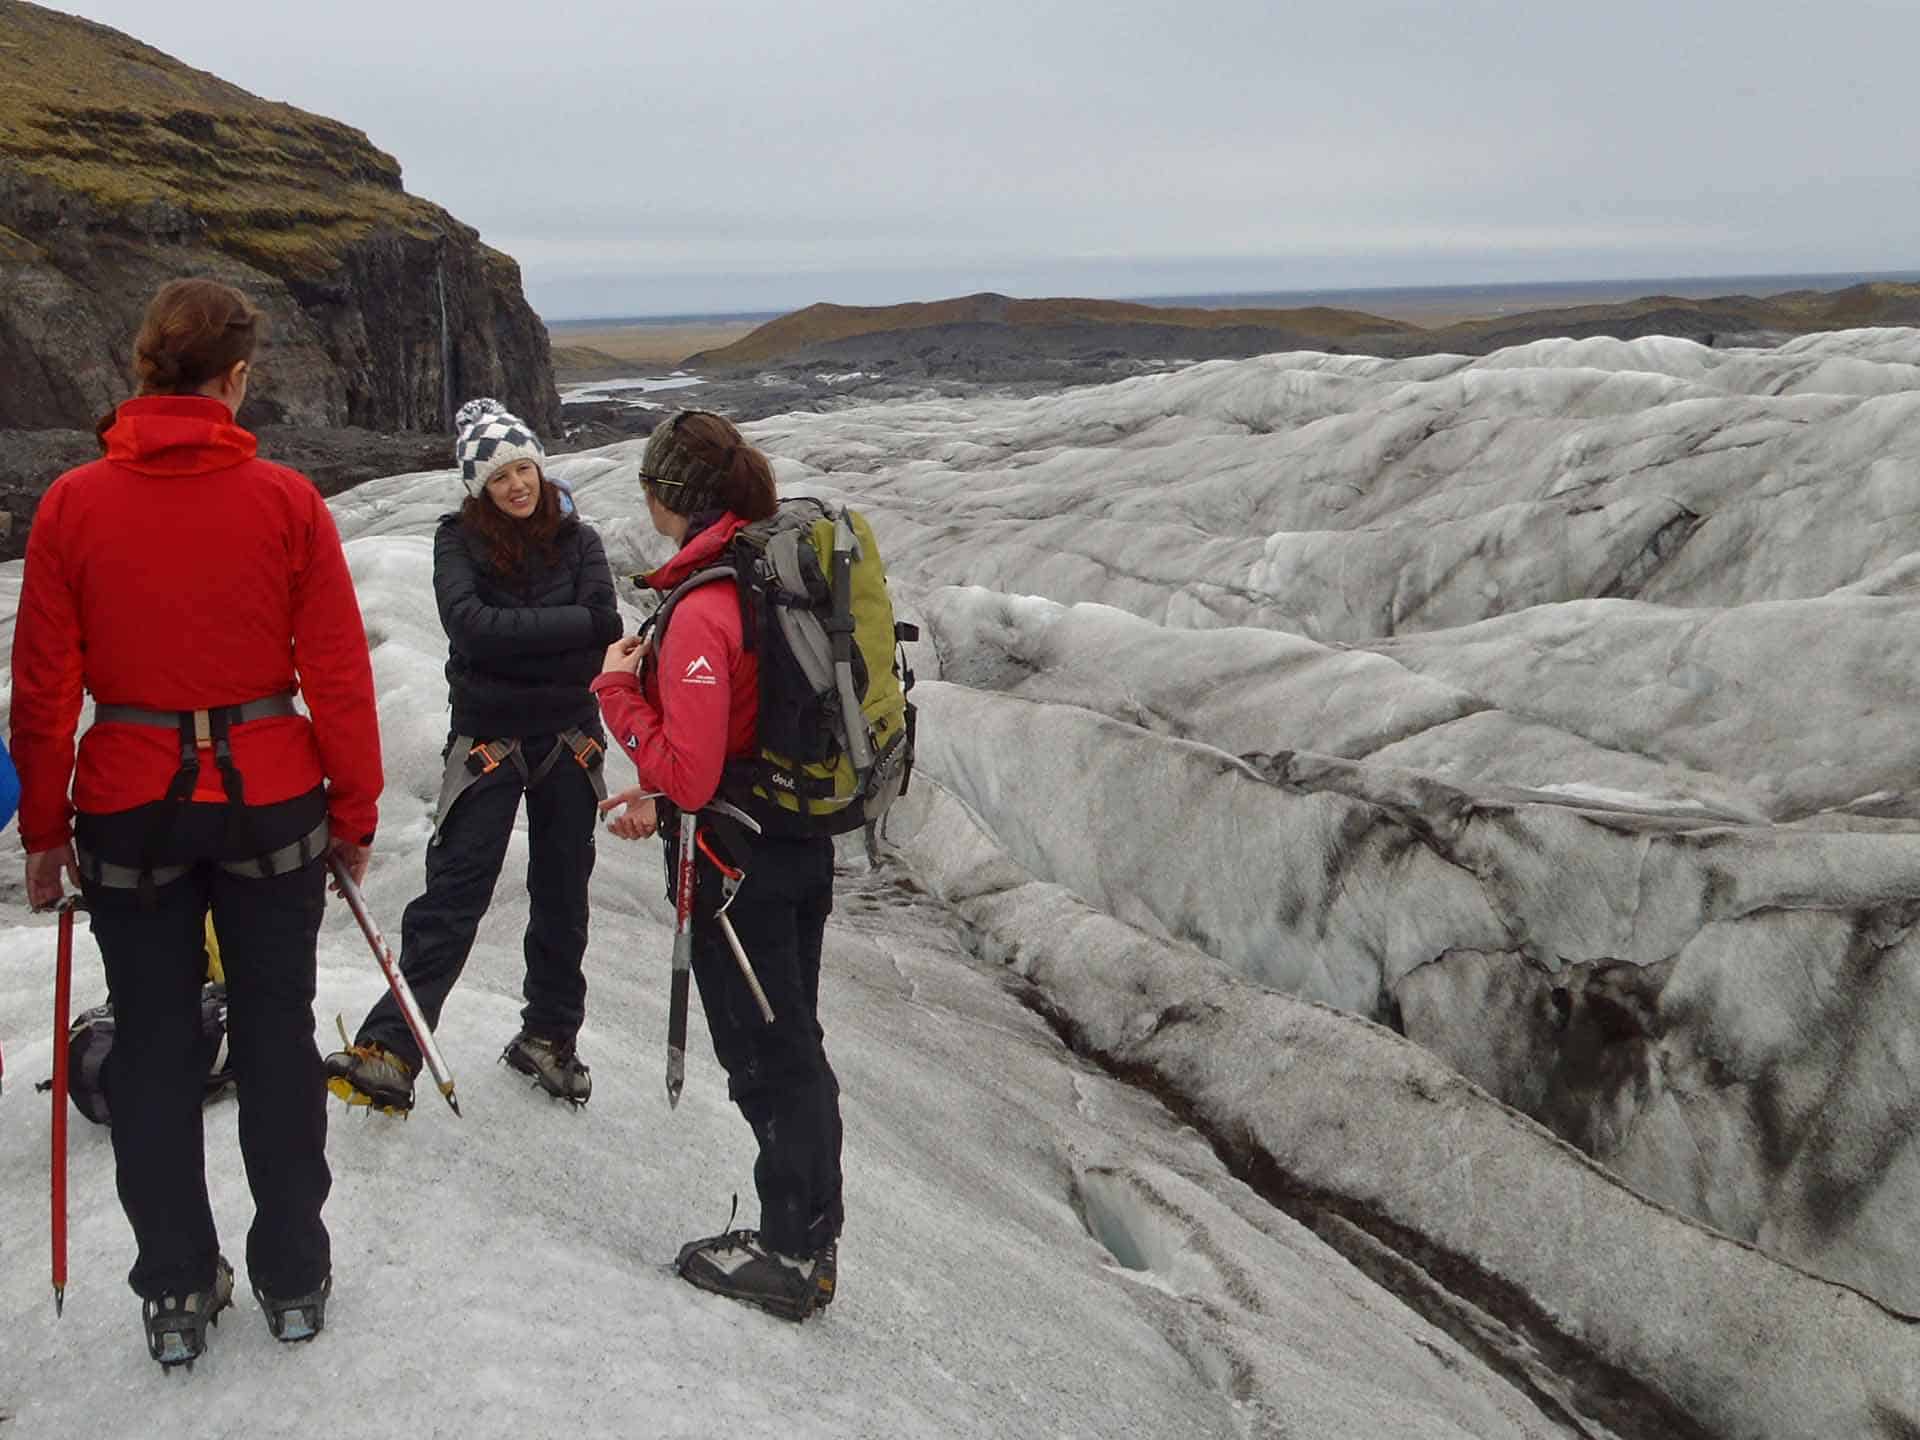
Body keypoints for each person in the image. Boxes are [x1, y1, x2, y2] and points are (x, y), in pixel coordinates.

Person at [9, 277, 383, 1369]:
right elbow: (340, 677)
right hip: (270, 801)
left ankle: (175, 1287)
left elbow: (42, 691)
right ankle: (294, 1275)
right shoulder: (286, 503)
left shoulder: (73, 505)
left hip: (129, 809)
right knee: (274, 1037)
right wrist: (352, 811)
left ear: (140, 375)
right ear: (234, 380)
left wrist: (42, 832)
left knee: (158, 1053)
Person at [594, 410, 843, 1322]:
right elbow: (734, 741)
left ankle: (791, 1253)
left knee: (769, 1055)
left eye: (652, 486)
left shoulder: (705, 606)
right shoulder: (760, 573)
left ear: (674, 498)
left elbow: (693, 769)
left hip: (737, 873)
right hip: (790, 843)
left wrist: (617, 695)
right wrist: (663, 793)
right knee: (795, 1040)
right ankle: (810, 1234)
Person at [324, 399, 619, 1113]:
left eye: (524, 468)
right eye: (500, 476)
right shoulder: (456, 539)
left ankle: (549, 1037)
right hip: (491, 741)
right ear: (477, 486)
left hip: (568, 743)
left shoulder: (580, 540)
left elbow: (605, 624)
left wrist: (523, 635)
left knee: (561, 899)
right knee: (453, 897)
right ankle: (391, 1051)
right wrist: (564, 636)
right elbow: (470, 627)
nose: (517, 485)